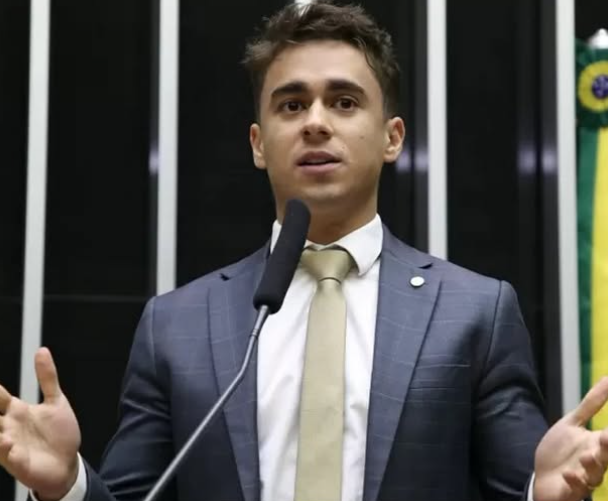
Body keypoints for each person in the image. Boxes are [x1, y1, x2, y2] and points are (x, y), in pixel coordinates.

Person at [1, 1, 608, 500]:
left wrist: (543, 494)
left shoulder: (476, 313)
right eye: (292, 105)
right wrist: (68, 486)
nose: (316, 122)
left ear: (392, 137)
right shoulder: (176, 325)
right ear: (258, 143)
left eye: (344, 102)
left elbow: (519, 488)